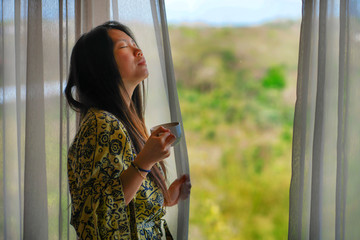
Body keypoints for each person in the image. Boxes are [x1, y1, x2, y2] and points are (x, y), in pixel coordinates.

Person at [65, 21, 191, 240]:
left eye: (134, 43)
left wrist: (165, 198)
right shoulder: (101, 124)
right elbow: (95, 220)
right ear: (100, 66)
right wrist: (145, 162)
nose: (138, 50)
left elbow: (123, 200)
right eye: (124, 47)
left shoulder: (125, 122)